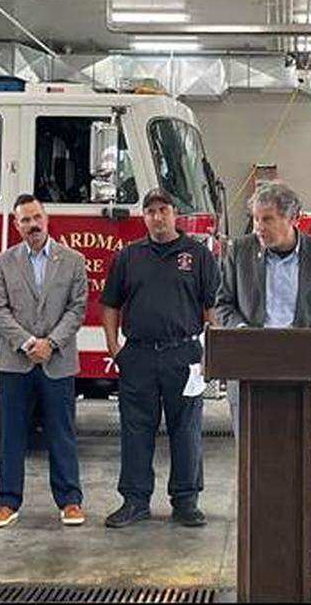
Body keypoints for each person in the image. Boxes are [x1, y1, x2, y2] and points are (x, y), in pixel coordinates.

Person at [214, 180, 311, 597]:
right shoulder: (237, 252)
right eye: (256, 219)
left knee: (308, 476)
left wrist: (302, 343)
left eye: (268, 220)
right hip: (250, 378)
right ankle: (258, 571)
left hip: (304, 382)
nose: (259, 227)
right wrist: (243, 335)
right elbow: (223, 304)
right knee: (254, 473)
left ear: (294, 219)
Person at [100, 187, 220, 528]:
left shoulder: (197, 255)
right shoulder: (128, 256)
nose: (157, 216)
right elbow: (110, 305)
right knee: (135, 430)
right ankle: (135, 501)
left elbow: (212, 308)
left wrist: (212, 355)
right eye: (150, 211)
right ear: (144, 217)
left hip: (184, 356)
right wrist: (114, 348)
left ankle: (186, 502)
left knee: (187, 430)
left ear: (174, 214)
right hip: (137, 356)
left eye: (163, 210)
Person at [0, 194, 88, 529]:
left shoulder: (72, 260)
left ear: (47, 219)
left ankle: (70, 501)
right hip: (16, 361)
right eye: (25, 220)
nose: (33, 225)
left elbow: (78, 308)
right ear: (16, 226)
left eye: (36, 217)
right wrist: (29, 343)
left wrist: (51, 343)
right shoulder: (4, 261)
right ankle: (6, 502)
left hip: (58, 361)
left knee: (62, 432)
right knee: (12, 433)